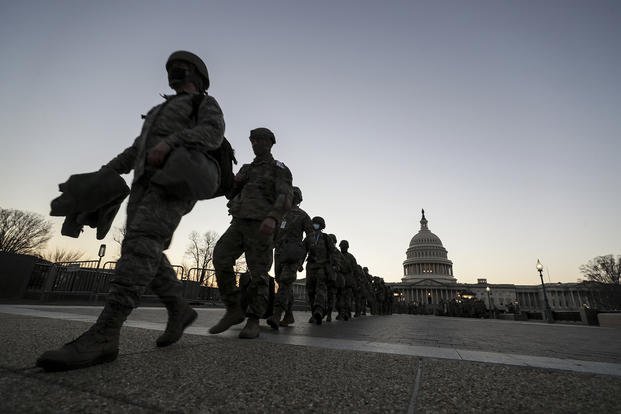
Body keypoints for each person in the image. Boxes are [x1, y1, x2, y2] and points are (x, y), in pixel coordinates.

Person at [37, 50, 225, 371]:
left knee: (141, 243)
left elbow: (213, 133)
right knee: (141, 246)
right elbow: (137, 148)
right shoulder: (159, 109)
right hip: (143, 186)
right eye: (169, 69)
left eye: (179, 68)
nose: (172, 73)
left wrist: (172, 143)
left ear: (197, 74)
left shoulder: (203, 104)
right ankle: (178, 307)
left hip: (174, 181)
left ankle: (106, 333)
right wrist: (105, 172)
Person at [209, 127, 293, 339]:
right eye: (253, 140)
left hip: (261, 224)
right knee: (220, 256)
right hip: (239, 222)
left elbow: (285, 196)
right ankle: (234, 307)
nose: (255, 144)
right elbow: (229, 193)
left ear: (271, 143)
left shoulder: (278, 168)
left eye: (260, 140)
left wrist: (273, 218)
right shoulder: (246, 168)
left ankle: (254, 319)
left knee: (258, 273)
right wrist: (226, 174)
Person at [266, 186, 313, 330]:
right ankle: (289, 314)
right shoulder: (279, 213)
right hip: (279, 252)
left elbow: (310, 237)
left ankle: (276, 314)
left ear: (297, 198)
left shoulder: (303, 215)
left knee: (286, 282)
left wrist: (301, 253)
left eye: (293, 195)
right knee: (282, 283)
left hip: (292, 253)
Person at [302, 216, 333, 324]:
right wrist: (299, 264)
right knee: (310, 291)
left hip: (322, 268)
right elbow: (303, 251)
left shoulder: (326, 238)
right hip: (310, 267)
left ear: (321, 226)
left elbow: (333, 252)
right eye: (314, 223)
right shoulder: (308, 238)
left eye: (317, 223)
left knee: (320, 289)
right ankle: (314, 313)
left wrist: (334, 266)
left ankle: (319, 310)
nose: (315, 225)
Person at [338, 240, 358, 321]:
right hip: (339, 280)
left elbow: (355, 270)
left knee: (347, 298)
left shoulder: (351, 257)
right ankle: (342, 313)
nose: (343, 248)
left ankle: (346, 313)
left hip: (348, 280)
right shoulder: (337, 255)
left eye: (344, 246)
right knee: (340, 298)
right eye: (342, 246)